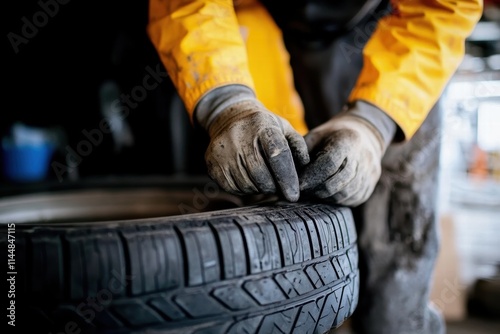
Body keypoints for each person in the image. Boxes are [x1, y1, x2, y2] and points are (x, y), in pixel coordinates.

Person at [147, 0, 482, 333]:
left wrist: (373, 123)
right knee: (274, 225)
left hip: (394, 38)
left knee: (391, 301)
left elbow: (444, 8)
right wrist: (226, 103)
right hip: (252, 24)